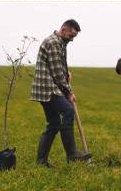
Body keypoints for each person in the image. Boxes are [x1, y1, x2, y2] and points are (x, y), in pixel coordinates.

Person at [30, 19, 91, 167]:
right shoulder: (53, 43)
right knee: (68, 111)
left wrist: (66, 74)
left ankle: (41, 162)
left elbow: (58, 66)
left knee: (54, 123)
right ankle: (72, 154)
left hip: (45, 89)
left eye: (74, 37)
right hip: (48, 88)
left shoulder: (60, 43)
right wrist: (69, 93)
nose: (72, 39)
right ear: (63, 30)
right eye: (71, 36)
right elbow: (57, 73)